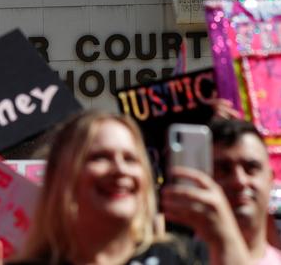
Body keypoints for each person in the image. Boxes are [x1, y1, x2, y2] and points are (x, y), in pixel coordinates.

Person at [16, 111, 249, 265]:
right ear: (62, 175)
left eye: (130, 159)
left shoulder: (182, 257)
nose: (120, 170)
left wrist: (225, 236)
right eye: (100, 157)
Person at [165, 119, 281, 264]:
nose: (239, 181)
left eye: (251, 168)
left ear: (270, 179)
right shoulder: (167, 259)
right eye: (223, 170)